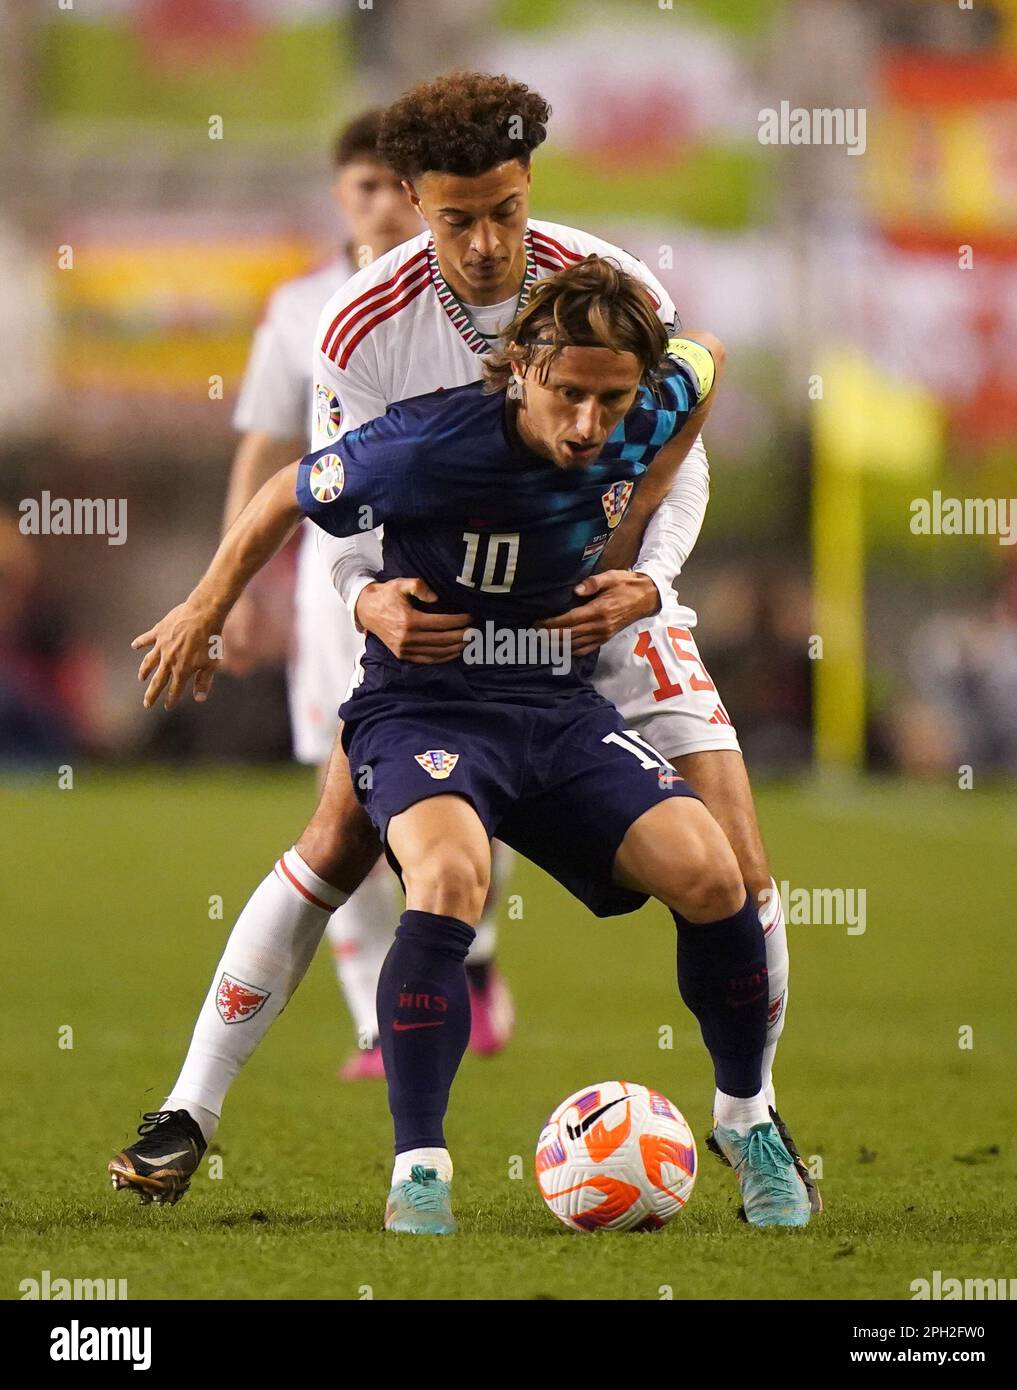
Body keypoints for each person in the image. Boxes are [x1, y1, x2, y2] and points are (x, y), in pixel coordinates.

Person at [109, 70, 811, 1217]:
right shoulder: (359, 328)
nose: (488, 243)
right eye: (458, 218)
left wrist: (650, 576)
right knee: (343, 837)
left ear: (530, 188)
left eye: (507, 211)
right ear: (412, 202)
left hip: (604, 595)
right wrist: (355, 598)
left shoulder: (609, 288)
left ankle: (752, 1117)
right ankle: (194, 1109)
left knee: (732, 860)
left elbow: (681, 421)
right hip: (430, 612)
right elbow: (325, 502)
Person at [226, 108, 513, 1078]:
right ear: (340, 195)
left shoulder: (469, 298)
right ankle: (376, 1026)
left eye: (400, 187)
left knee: (476, 771)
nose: (385, 204)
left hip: (457, 572)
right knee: (340, 800)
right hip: (335, 572)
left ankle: (474, 960)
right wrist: (230, 586)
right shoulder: (303, 308)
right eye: (367, 188)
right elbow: (268, 449)